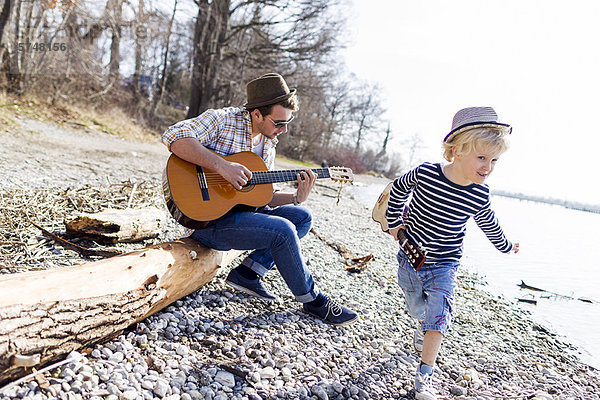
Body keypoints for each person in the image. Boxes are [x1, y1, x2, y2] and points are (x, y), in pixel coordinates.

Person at [161, 73, 357, 326]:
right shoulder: (222, 120)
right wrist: (222, 166)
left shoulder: (267, 145)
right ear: (256, 114)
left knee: (301, 217)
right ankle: (313, 300)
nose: (283, 130)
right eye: (278, 123)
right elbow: (174, 137)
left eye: (288, 122)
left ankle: (248, 274)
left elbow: (262, 197)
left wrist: (296, 197)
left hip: (239, 218)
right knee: (283, 230)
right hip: (206, 221)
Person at [385, 107, 520, 399]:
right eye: (482, 157)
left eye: (495, 160)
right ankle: (422, 324)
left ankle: (424, 376)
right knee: (415, 308)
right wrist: (395, 223)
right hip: (411, 258)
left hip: (446, 264)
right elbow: (397, 190)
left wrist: (506, 245)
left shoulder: (479, 193)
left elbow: (489, 223)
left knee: (439, 317)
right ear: (456, 150)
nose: (488, 167)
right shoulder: (426, 173)